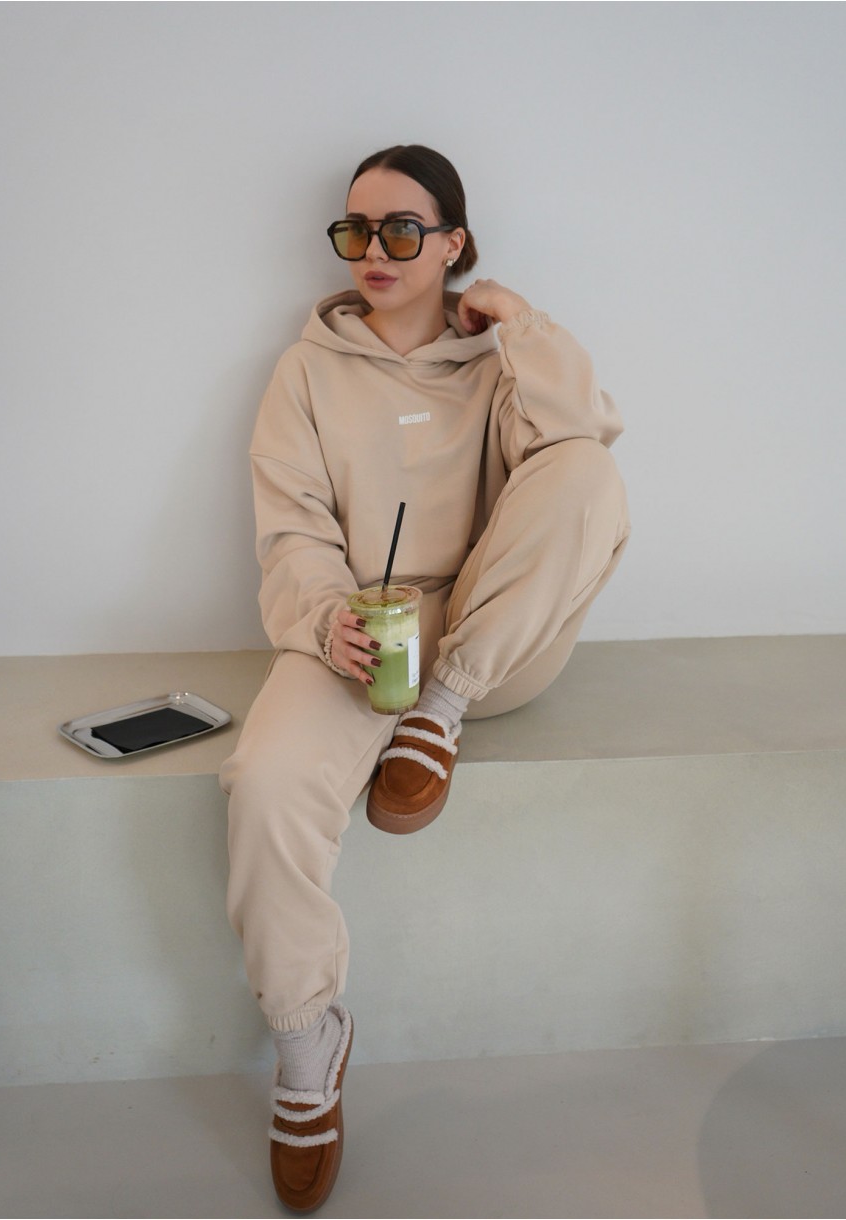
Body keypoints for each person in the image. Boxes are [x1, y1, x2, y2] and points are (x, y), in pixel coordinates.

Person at [219, 144, 630, 1212]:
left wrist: (521, 324)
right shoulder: (304, 371)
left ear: (454, 244)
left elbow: (582, 442)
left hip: (490, 631)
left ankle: (437, 716)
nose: (376, 249)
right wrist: (326, 620)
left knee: (587, 473)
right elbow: (291, 528)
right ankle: (307, 1043)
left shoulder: (499, 358)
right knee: (264, 779)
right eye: (356, 229)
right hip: (357, 627)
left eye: (404, 228)